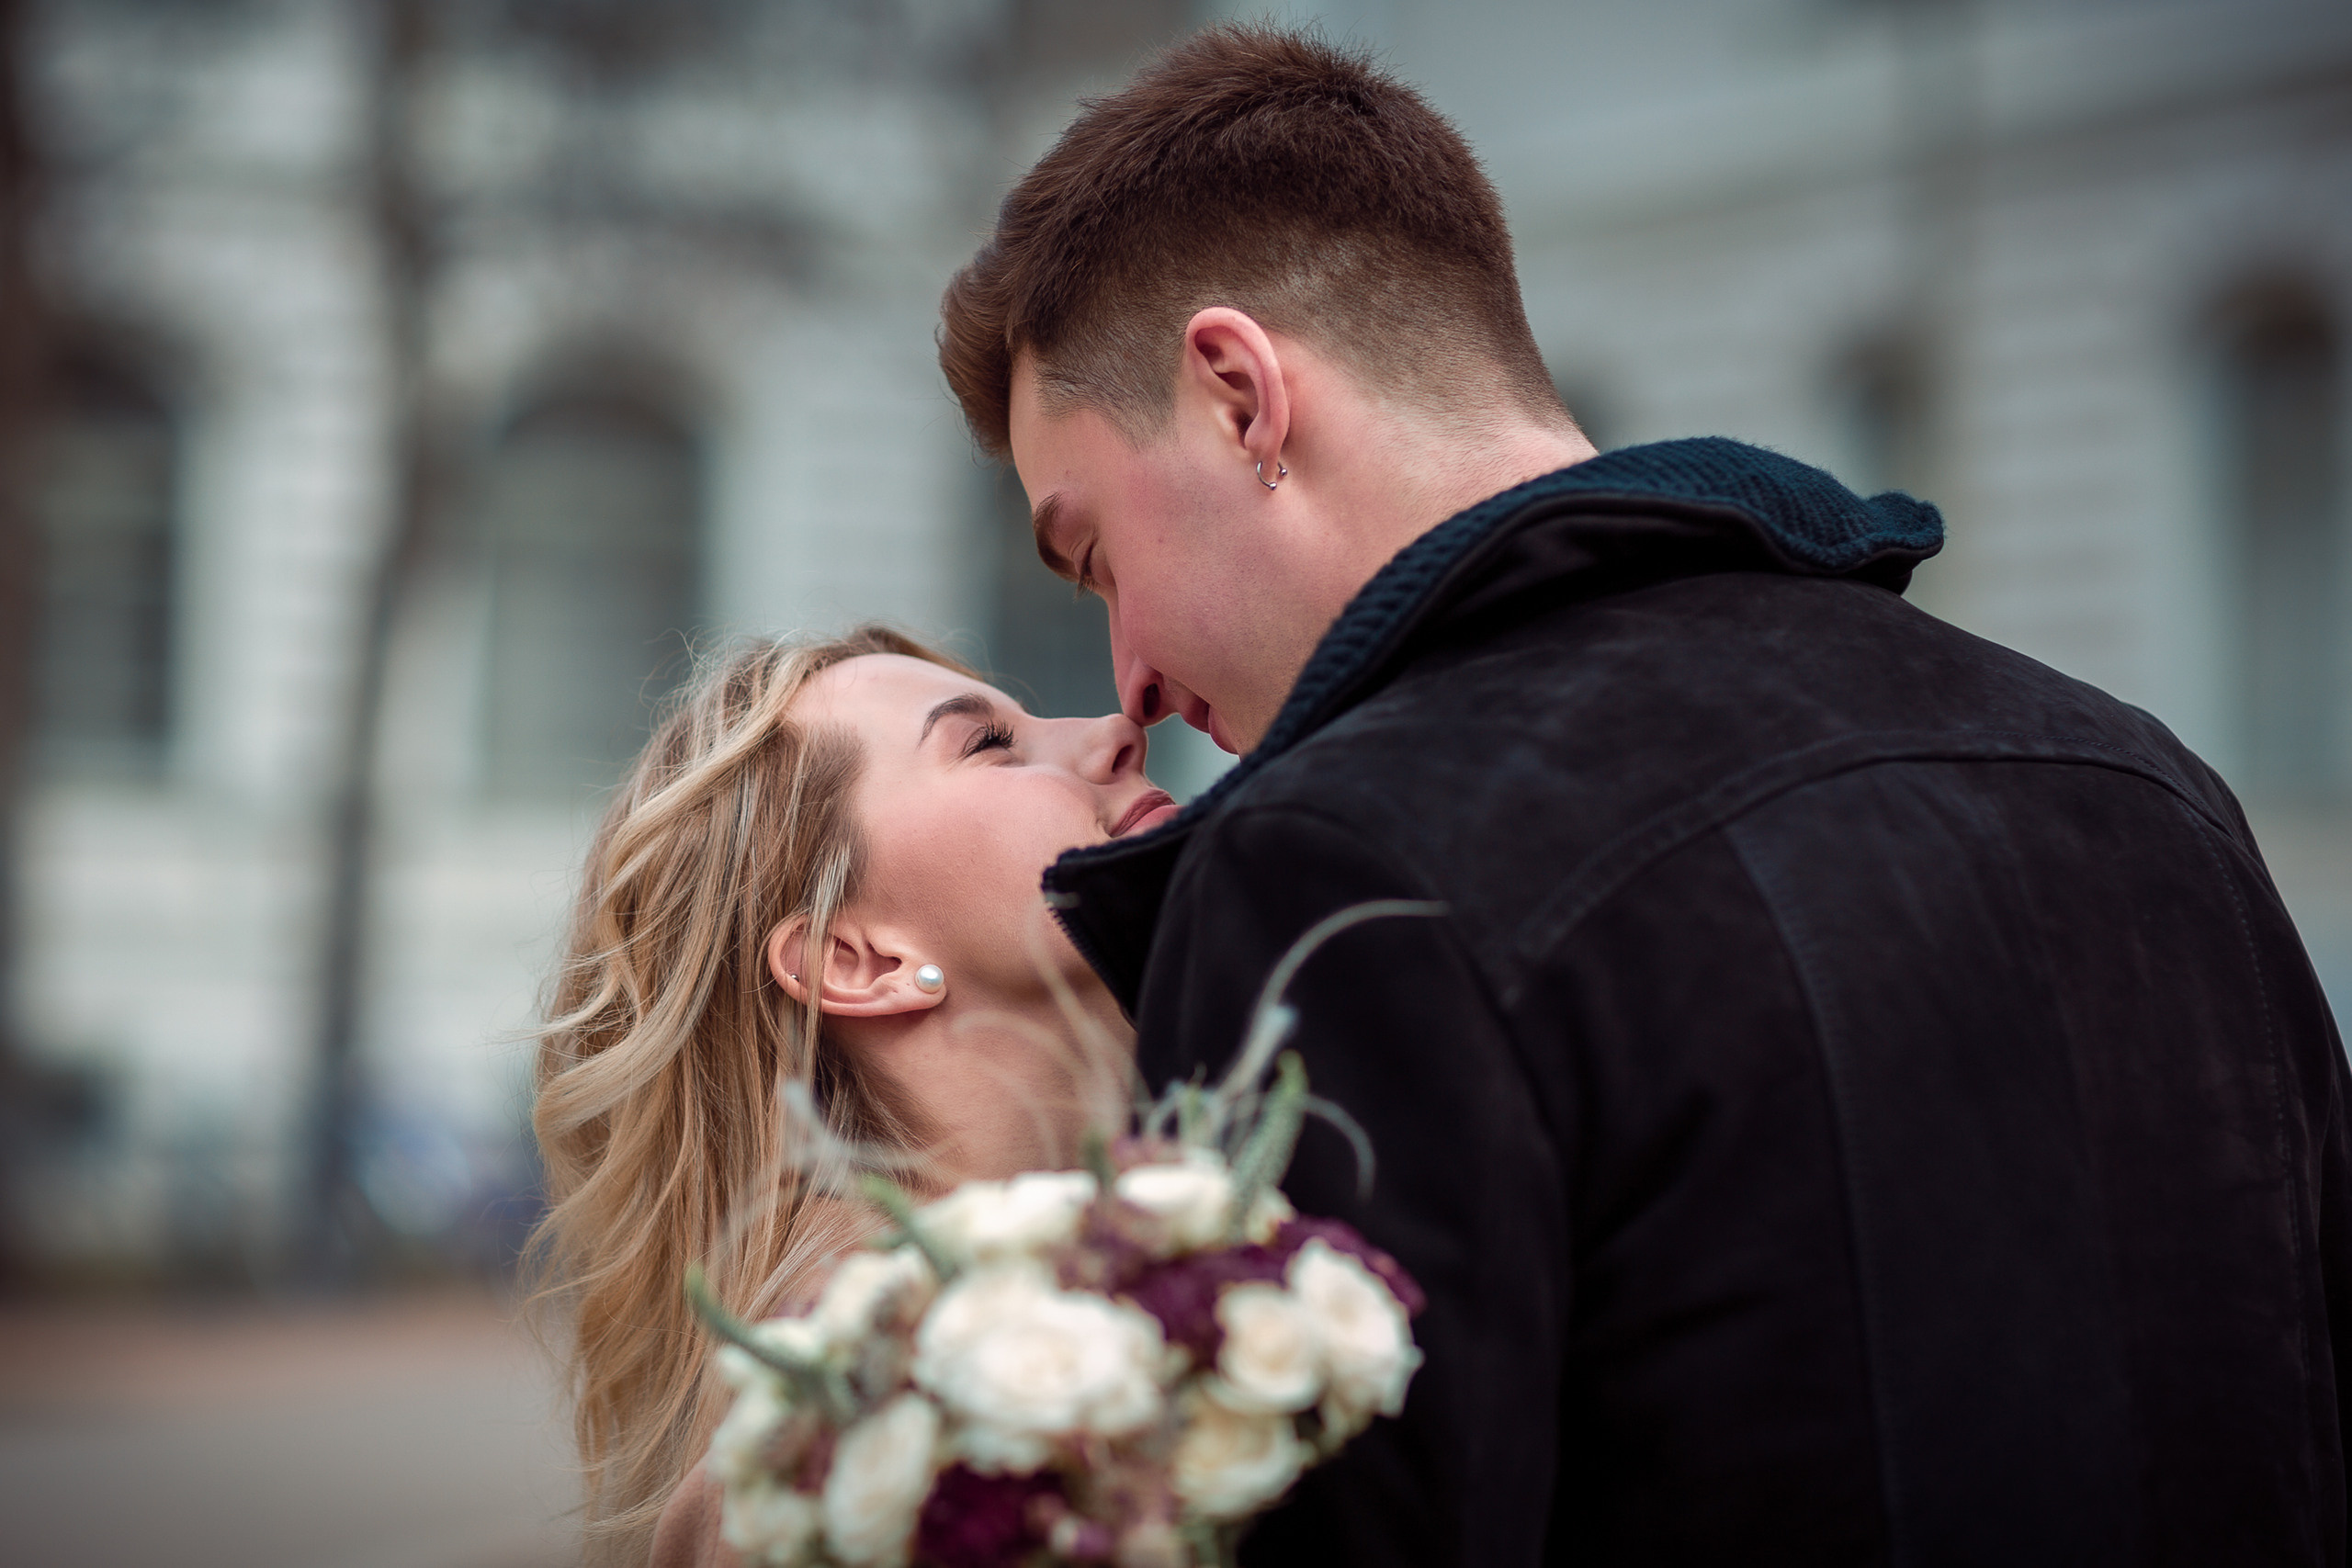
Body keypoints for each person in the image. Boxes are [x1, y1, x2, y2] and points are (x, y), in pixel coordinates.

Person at [940, 24, 2352, 1568]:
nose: (1129, 674)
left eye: (1095, 555)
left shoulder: (1334, 868)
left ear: (1237, 393)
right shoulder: (2147, 783)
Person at [526, 627, 1177, 1567]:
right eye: (989, 744)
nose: (1117, 728)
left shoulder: (1161, 1249)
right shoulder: (851, 1432)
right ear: (856, 960)